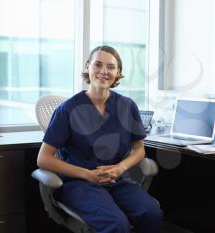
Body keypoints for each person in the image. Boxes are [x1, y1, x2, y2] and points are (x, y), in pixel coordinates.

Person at [37, 45, 163, 233]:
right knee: (116, 224)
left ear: (118, 73)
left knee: (152, 213)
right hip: (80, 184)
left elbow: (139, 150)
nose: (104, 71)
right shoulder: (68, 110)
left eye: (111, 67)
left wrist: (120, 168)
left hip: (117, 180)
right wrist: (88, 174)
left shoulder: (127, 106)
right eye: (98, 65)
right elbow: (43, 159)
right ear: (88, 67)